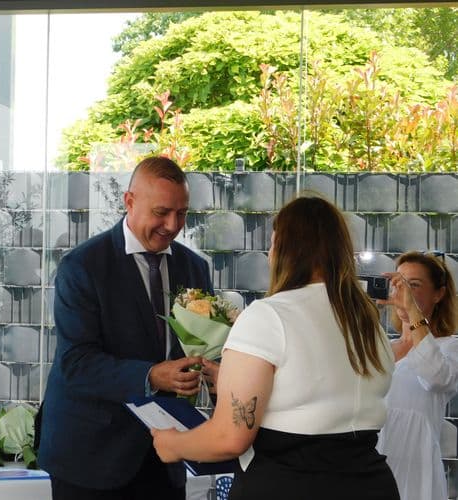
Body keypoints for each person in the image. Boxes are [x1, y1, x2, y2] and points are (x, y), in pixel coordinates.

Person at [152, 195, 400, 500]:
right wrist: (231, 380)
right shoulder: (366, 321)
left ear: (285, 248)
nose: (270, 255)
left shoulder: (268, 315)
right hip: (371, 483)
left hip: (291, 485)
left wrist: (172, 445)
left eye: (272, 244)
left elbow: (230, 437)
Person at [37, 156, 213, 500]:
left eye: (182, 213)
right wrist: (152, 376)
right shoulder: (82, 266)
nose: (172, 225)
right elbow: (76, 363)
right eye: (161, 212)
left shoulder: (195, 268)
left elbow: (203, 343)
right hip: (90, 458)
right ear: (129, 201)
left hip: (164, 457)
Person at [376, 251, 458, 500]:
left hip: (415, 470)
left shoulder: (449, 347)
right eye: (399, 284)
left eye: (413, 285)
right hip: (372, 462)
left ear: (438, 294)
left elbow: (436, 378)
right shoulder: (381, 346)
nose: (404, 292)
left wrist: (413, 311)